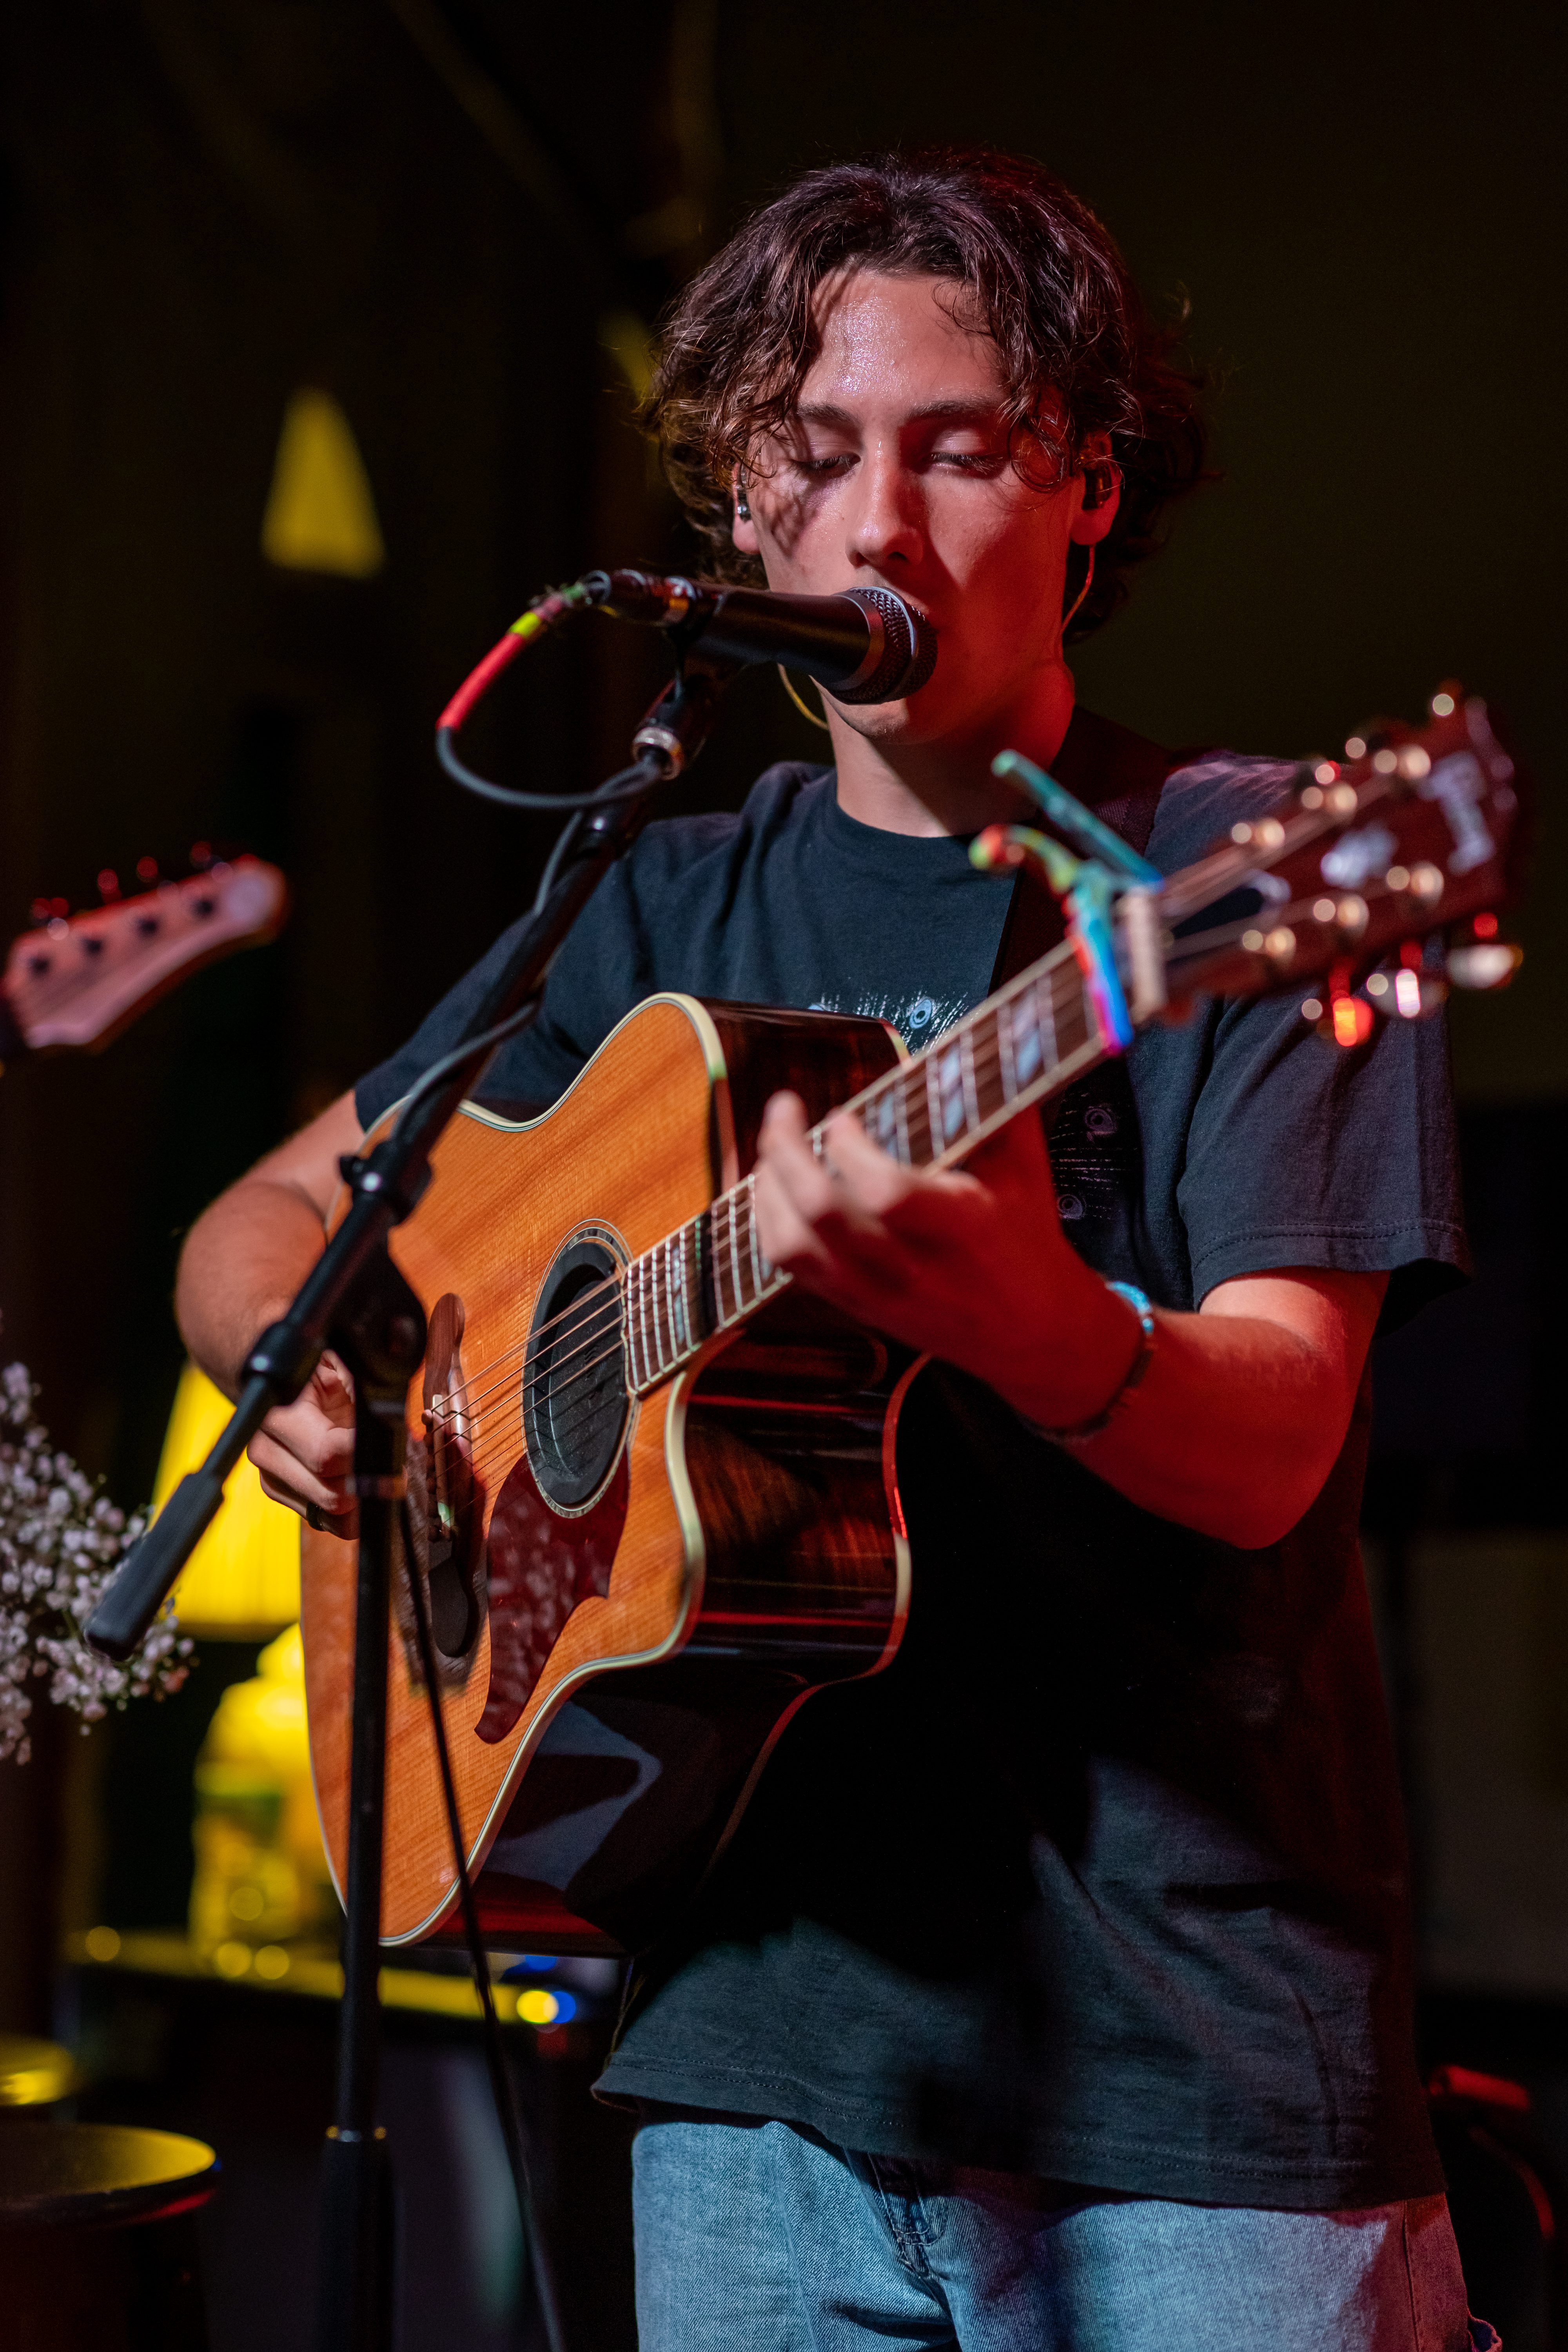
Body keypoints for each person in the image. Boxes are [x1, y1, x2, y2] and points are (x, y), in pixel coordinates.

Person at [175, 151, 1493, 2349]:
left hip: (1193, 2103)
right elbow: (263, 1224)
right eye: (814, 456)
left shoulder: (1229, 871)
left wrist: (1041, 1331)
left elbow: (1276, 1442)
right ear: (742, 516)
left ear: (1085, 488)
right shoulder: (660, 897)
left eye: (958, 450)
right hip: (747, 2076)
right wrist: (302, 1374)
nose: (879, 524)